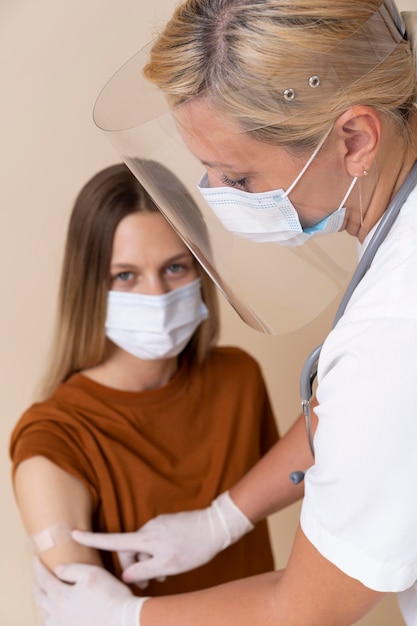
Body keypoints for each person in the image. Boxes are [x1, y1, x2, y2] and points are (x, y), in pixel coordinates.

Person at [34, 1, 417, 625]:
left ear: (355, 139)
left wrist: (123, 618)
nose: (215, 197)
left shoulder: (394, 335)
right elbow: (348, 415)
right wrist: (224, 517)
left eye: (237, 179)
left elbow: (302, 611)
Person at [10, 162, 282, 599]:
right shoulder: (55, 441)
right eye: (126, 275)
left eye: (175, 268)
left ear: (202, 270)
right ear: (91, 288)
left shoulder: (238, 378)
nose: (156, 296)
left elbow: (313, 470)